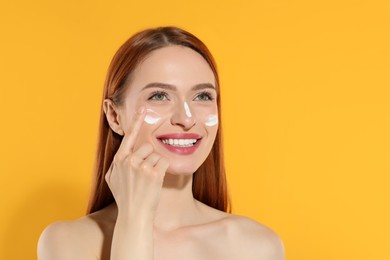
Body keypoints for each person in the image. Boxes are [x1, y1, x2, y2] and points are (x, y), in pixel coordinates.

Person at [38, 26, 285, 260]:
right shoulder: (68, 242)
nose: (186, 119)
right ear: (115, 116)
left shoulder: (256, 246)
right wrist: (135, 219)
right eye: (159, 96)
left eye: (202, 96)